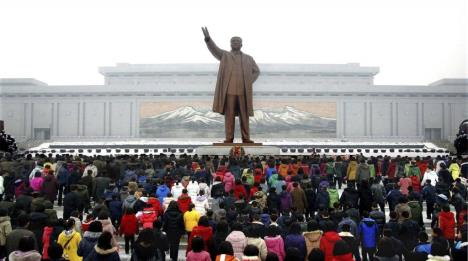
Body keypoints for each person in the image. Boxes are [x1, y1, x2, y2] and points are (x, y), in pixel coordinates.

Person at [201, 26, 260, 143]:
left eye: (237, 41)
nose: (235, 43)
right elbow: (214, 49)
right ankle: (229, 138)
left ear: (241, 44)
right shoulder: (225, 56)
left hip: (243, 92)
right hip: (229, 92)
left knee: (244, 116)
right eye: (233, 41)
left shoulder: (248, 58)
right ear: (230, 44)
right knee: (229, 117)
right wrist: (208, 39)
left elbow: (256, 71)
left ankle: (246, 138)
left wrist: (248, 83)